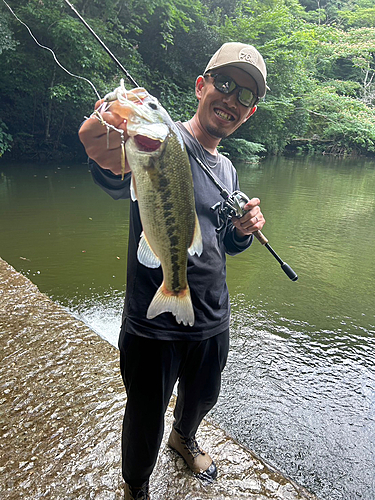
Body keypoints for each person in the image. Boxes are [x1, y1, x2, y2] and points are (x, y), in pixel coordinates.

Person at [79, 42, 267, 500]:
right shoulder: (159, 140)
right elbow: (109, 167)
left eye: (244, 95)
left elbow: (224, 243)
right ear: (201, 86)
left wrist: (242, 229)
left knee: (202, 398)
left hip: (210, 316)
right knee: (144, 414)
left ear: (250, 112)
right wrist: (110, 120)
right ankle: (136, 486)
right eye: (224, 84)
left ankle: (184, 437)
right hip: (152, 321)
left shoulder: (227, 168)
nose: (231, 99)